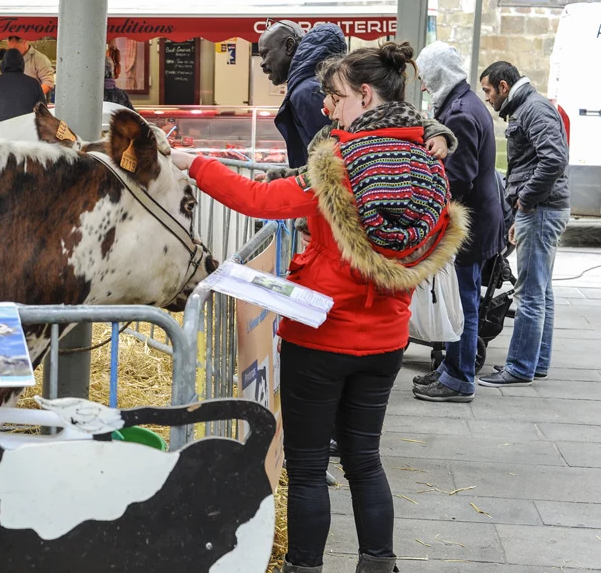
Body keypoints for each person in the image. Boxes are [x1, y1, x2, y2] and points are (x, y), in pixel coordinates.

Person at [171, 42, 468, 573]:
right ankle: (378, 562)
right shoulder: (429, 159)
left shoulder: (340, 164)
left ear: (365, 94)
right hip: (387, 338)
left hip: (321, 335)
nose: (328, 107)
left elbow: (259, 200)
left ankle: (304, 566)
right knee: (365, 460)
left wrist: (193, 163)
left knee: (307, 469)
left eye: (336, 97)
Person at [412, 42, 505, 402]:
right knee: (460, 295)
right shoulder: (461, 103)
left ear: (438, 73)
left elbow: (458, 177)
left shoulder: (461, 113)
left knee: (463, 299)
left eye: (424, 76)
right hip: (477, 220)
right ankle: (451, 366)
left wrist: (424, 206)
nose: (422, 85)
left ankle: (459, 378)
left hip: (471, 224)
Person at [477, 61, 571, 387]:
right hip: (542, 209)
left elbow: (554, 159)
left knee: (529, 293)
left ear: (504, 86)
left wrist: (525, 200)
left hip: (542, 209)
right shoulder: (530, 107)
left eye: (488, 90)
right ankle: (536, 363)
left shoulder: (532, 109)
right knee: (541, 290)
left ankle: (518, 367)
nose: (487, 98)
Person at [259, 21, 346, 169]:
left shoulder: (307, 92)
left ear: (289, 46)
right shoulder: (313, 85)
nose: (262, 63)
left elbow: (328, 161)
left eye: (265, 54)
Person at [0, 48, 45, 124]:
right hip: (25, 132)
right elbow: (44, 113)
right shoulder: (34, 83)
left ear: (3, 63)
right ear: (22, 64)